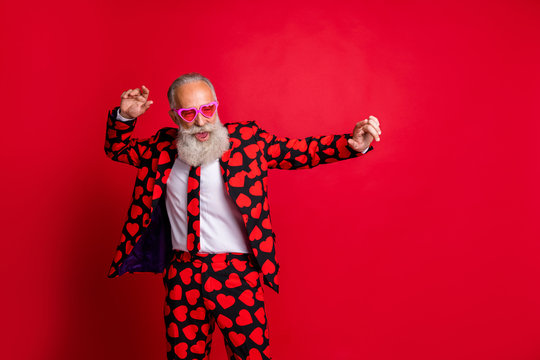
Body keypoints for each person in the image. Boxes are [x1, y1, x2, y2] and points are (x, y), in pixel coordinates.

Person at [104, 72, 382, 360]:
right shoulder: (159, 150)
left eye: (207, 110)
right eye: (189, 113)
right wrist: (124, 118)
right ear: (175, 116)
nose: (201, 122)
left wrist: (352, 143)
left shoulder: (248, 142)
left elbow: (298, 152)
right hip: (182, 274)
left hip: (236, 274)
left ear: (216, 106)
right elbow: (116, 148)